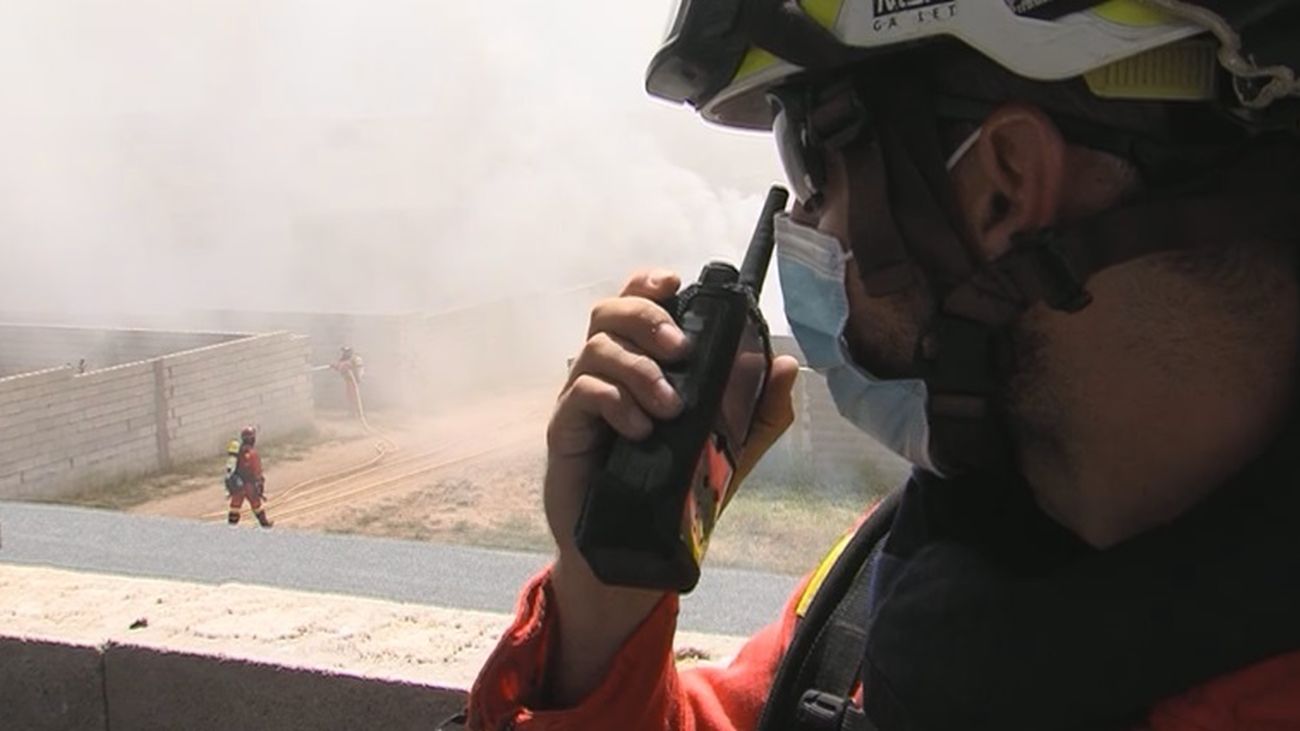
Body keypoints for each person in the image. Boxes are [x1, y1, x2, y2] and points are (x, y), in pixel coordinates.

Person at [466, 2, 1300, 730]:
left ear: (1003, 187)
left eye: (810, 164)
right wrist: (601, 610)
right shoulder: (892, 582)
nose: (803, 225)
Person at [226, 425, 272, 528]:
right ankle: (265, 525)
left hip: (238, 484)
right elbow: (256, 469)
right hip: (249, 484)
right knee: (256, 505)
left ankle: (230, 528)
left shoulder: (238, 451)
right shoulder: (252, 453)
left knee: (235, 507)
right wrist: (260, 482)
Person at [330, 345, 366, 419]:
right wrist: (334, 365)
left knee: (354, 396)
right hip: (349, 380)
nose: (344, 353)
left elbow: (357, 368)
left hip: (354, 380)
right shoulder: (344, 359)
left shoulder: (356, 358)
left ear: (350, 352)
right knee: (350, 396)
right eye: (344, 352)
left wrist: (357, 378)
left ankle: (358, 413)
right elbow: (340, 366)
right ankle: (353, 412)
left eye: (346, 352)